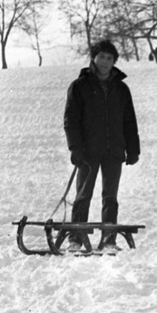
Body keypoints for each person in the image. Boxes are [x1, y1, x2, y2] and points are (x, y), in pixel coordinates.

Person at [62, 39, 140, 251]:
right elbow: (71, 121)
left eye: (109, 58)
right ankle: (76, 240)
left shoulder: (122, 89)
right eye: (101, 57)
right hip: (88, 151)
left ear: (114, 61)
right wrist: (75, 148)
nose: (105, 62)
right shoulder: (79, 87)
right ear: (93, 59)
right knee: (83, 195)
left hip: (114, 150)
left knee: (110, 197)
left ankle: (109, 240)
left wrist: (133, 149)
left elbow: (129, 121)